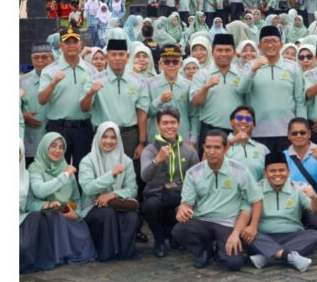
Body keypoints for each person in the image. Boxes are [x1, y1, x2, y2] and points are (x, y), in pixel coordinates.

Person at [171, 130, 264, 270]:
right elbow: (187, 203)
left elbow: (256, 199)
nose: (212, 152)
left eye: (217, 147)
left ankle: (218, 249)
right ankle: (204, 250)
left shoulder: (239, 170)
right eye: (208, 147)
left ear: (226, 148)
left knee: (233, 264)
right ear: (203, 147)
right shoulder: (193, 173)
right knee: (179, 230)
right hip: (202, 221)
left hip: (228, 224)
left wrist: (253, 226)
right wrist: (183, 208)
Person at [80, 39, 150, 209]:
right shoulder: (95, 80)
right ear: (106, 57)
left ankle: (132, 215)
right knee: (102, 172)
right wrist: (90, 93)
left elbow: (142, 112)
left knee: (130, 176)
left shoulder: (138, 81)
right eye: (113, 55)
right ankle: (99, 212)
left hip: (129, 135)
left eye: (121, 55)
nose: (117, 58)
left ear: (127, 57)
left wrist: (141, 142)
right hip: (103, 136)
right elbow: (84, 107)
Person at [245, 153, 317, 272]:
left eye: (281, 170)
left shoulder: (298, 188)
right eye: (272, 171)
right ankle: (287, 256)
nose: (277, 174)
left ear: (288, 172)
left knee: (314, 236)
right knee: (246, 235)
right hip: (264, 236)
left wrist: (314, 198)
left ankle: (267, 256)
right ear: (265, 173)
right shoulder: (256, 189)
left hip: (293, 235)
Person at [29, 132, 97, 265]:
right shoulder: (35, 168)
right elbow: (39, 190)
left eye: (61, 147)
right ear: (44, 147)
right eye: (53, 146)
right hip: (46, 214)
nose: (57, 150)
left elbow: (76, 198)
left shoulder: (66, 168)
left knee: (81, 229)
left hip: (66, 211)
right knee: (57, 218)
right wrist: (64, 176)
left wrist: (76, 214)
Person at [140, 106, 200, 257]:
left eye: (173, 122)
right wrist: (157, 160)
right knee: (150, 206)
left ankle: (176, 236)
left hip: (180, 194)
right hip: (157, 194)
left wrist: (188, 200)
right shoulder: (150, 150)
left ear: (178, 124)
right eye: (165, 123)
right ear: (158, 125)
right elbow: (144, 177)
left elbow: (197, 179)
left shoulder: (189, 151)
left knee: (190, 204)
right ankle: (159, 240)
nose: (169, 126)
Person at [78, 122, 141, 261]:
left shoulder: (126, 161)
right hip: (92, 206)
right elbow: (88, 188)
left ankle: (125, 254)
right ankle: (106, 254)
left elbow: (132, 189)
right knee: (107, 213)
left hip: (117, 204)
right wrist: (111, 175)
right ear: (98, 138)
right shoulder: (87, 161)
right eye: (104, 137)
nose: (109, 141)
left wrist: (112, 195)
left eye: (113, 137)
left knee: (132, 216)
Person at [241, 25, 306, 154]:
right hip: (258, 131)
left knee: (285, 172)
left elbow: (300, 100)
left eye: (274, 41)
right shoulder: (250, 66)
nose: (270, 45)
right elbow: (242, 91)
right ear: (259, 47)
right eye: (266, 41)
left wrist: (301, 128)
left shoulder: (292, 68)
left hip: (287, 132)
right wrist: (253, 70)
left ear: (281, 45)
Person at [38, 27, 94, 172]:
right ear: (60, 46)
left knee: (84, 170)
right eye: (67, 42)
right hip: (58, 128)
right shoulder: (50, 70)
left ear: (80, 44)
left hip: (83, 128)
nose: (71, 45)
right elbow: (42, 100)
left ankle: (82, 196)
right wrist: (53, 83)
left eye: (74, 41)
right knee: (57, 171)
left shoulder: (91, 70)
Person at [190, 34, 249, 157]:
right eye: (219, 50)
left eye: (228, 50)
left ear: (234, 53)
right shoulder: (201, 75)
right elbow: (195, 103)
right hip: (210, 130)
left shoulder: (242, 74)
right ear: (212, 52)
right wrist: (206, 87)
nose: (224, 54)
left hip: (237, 131)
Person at [283, 117, 317, 233]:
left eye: (302, 132)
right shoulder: (284, 155)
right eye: (294, 133)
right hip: (293, 202)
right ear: (289, 136)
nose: (298, 136)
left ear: (309, 134)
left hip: (314, 201)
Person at [147, 45, 198, 146]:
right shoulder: (150, 84)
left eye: (175, 62)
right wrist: (159, 100)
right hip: (157, 140)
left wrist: (193, 139)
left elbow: (194, 115)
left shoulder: (188, 85)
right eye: (166, 62)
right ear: (160, 64)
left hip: (183, 139)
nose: (171, 65)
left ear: (180, 64)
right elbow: (146, 114)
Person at [19, 140, 57, 274]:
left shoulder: (25, 175)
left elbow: (28, 202)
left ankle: (42, 262)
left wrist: (45, 204)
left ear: (22, 154)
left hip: (20, 217)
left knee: (39, 217)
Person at [21, 42, 55, 166]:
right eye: (36, 57)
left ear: (52, 59)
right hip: (31, 142)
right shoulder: (22, 82)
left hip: (55, 144)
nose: (40, 61)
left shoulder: (60, 79)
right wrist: (23, 116)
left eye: (45, 57)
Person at [225, 106, 270, 181]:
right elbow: (207, 165)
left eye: (248, 119)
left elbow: (268, 175)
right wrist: (232, 141)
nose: (243, 121)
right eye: (239, 118)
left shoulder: (262, 149)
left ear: (254, 125)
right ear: (231, 122)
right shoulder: (219, 144)